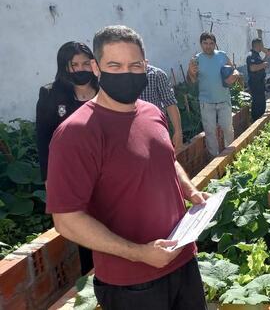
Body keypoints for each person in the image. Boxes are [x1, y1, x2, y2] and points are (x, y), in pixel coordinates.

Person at [46, 25, 209, 310]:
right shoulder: (77, 133)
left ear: (145, 65)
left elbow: (167, 160)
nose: (127, 73)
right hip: (131, 284)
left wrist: (190, 189)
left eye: (135, 65)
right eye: (115, 65)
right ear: (97, 68)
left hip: (183, 261)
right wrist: (139, 254)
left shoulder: (152, 113)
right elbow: (66, 220)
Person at [35, 41, 98, 276]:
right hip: (73, 178)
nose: (81, 68)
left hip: (108, 172)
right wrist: (49, 182)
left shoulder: (107, 89)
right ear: (65, 67)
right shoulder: (52, 94)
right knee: (86, 232)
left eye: (85, 63)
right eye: (74, 65)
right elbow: (44, 140)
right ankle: (93, 280)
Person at [187, 32, 239, 157]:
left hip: (223, 100)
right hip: (206, 102)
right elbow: (192, 81)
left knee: (227, 128)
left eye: (211, 43)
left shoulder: (222, 55)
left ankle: (230, 156)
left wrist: (235, 75)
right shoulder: (196, 59)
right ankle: (213, 159)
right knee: (210, 132)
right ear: (201, 44)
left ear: (215, 44)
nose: (208, 46)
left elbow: (234, 69)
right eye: (205, 43)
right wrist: (191, 72)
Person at [139, 64, 184, 152]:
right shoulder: (120, 78)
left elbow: (170, 103)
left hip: (155, 129)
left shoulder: (156, 75)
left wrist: (178, 131)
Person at [246, 38, 268, 121]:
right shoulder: (251, 55)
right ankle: (256, 121)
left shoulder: (257, 54)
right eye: (261, 45)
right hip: (255, 84)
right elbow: (252, 68)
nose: (262, 47)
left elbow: (261, 64)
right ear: (258, 45)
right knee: (257, 104)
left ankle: (260, 121)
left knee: (262, 104)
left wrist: (266, 57)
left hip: (260, 83)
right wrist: (263, 65)